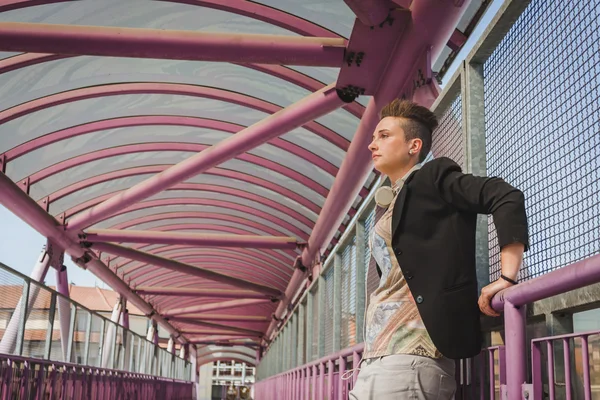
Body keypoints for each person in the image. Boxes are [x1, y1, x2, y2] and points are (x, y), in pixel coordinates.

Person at [348, 99, 529, 399]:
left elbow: (504, 195)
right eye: (373, 137)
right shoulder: (392, 202)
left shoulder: (432, 177)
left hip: (411, 360)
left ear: (413, 145)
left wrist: (507, 277)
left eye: (384, 136)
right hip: (376, 358)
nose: (372, 145)